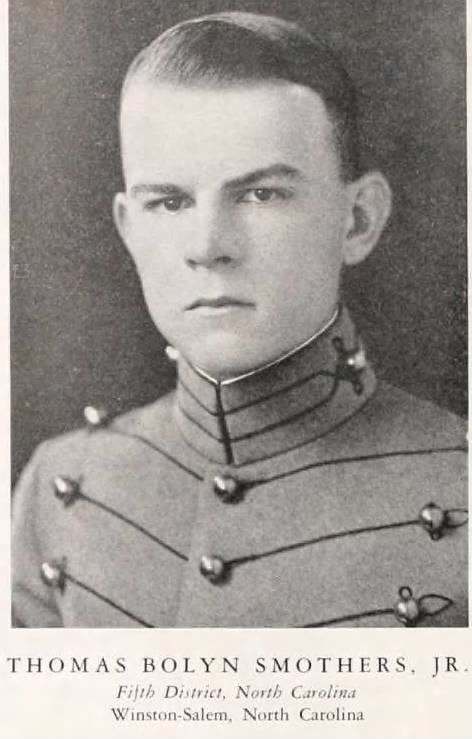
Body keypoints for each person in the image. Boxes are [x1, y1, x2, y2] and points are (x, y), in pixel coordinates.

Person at [12, 11, 467, 628]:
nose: (207, 245)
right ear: (129, 228)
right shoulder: (60, 488)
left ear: (358, 220)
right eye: (169, 202)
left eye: (260, 194)